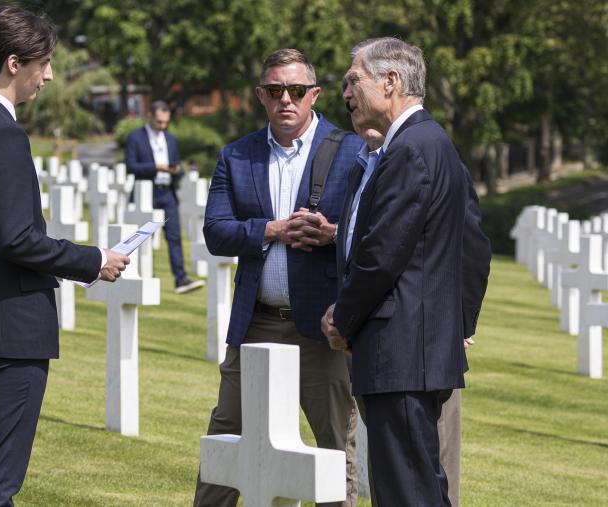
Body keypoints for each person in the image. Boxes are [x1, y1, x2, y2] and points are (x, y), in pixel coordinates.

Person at [0, 7, 129, 506]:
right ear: (14, 63)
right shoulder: (2, 134)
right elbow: (17, 239)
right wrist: (93, 260)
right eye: (44, 63)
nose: (49, 76)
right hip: (12, 328)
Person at [321, 37, 490, 506]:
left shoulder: (412, 149)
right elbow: (472, 244)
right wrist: (454, 325)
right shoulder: (429, 144)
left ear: (390, 82)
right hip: (413, 350)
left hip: (401, 354)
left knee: (407, 492)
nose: (347, 94)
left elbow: (382, 255)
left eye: (353, 80)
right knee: (412, 487)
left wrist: (342, 319)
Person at [193, 48, 364, 507]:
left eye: (295, 90)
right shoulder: (237, 155)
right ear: (260, 96)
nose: (285, 99)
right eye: (274, 91)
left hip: (323, 324)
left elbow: (373, 232)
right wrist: (270, 229)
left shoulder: (352, 151)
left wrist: (333, 235)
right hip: (258, 323)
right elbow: (216, 231)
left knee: (331, 445)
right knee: (226, 433)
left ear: (314, 95)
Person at [125, 101, 205, 294]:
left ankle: (181, 279)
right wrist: (156, 167)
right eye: (159, 122)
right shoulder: (135, 138)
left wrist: (177, 170)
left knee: (174, 235)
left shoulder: (170, 139)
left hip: (167, 191)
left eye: (166, 122)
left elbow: (176, 164)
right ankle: (137, 277)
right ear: (150, 116)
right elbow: (131, 167)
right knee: (140, 236)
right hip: (146, 190)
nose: (163, 126)